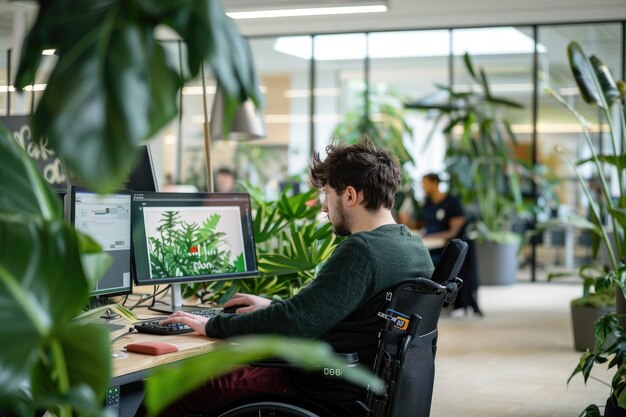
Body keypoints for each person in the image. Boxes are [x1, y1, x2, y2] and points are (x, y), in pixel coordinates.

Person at [157, 138, 434, 416]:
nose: (325, 207)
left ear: (350, 196)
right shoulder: (413, 247)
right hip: (360, 387)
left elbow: (297, 322)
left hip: (316, 384)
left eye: (328, 194)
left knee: (170, 391)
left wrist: (212, 325)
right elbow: (335, 311)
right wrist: (271, 305)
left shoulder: (362, 251)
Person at [420, 173, 482, 316]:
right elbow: (424, 223)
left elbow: (453, 232)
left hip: (446, 248)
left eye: (425, 183)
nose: (423, 186)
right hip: (431, 244)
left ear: (434, 183)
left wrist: (430, 236)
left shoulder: (452, 202)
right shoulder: (428, 202)